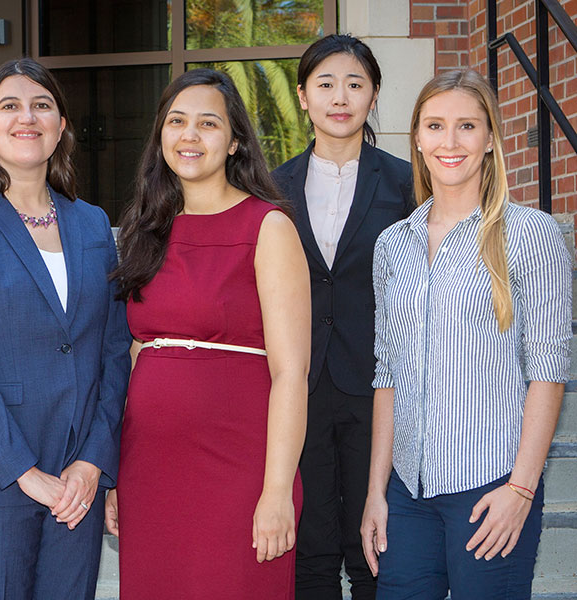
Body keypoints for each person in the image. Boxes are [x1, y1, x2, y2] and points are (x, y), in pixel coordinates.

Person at [0, 58, 131, 600]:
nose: (27, 117)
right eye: (8, 106)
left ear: (62, 126)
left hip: (75, 483)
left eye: (42, 105)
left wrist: (93, 462)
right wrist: (24, 471)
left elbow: (112, 354)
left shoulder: (91, 224)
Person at [360, 69, 571, 599]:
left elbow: (548, 373)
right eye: (434, 126)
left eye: (467, 126)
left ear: (490, 139)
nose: (449, 142)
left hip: (493, 486)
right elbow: (387, 375)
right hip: (407, 493)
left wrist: (521, 489)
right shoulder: (392, 245)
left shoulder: (531, 234)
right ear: (417, 139)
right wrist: (375, 492)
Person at [107, 68, 310, 599]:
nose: (189, 136)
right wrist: (114, 475)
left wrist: (277, 490)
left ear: (236, 140)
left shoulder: (268, 226)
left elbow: (292, 373)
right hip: (149, 467)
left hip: (241, 468)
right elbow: (132, 356)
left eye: (208, 123)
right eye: (176, 122)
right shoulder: (142, 231)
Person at [269, 34, 413, 600]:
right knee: (310, 545)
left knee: (373, 544)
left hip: (376, 385)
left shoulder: (407, 182)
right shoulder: (271, 188)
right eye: (326, 84)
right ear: (303, 96)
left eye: (355, 85)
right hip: (297, 385)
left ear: (373, 97)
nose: (340, 97)